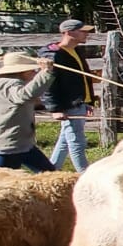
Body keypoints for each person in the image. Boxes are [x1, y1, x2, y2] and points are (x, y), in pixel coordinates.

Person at [0, 52, 57, 172]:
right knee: (2, 179)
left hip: (19, 142)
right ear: (24, 72)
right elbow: (25, 95)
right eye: (33, 71)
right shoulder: (9, 84)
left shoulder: (4, 83)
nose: (34, 74)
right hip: (8, 142)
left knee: (48, 174)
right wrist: (46, 73)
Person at [43, 18, 95, 170]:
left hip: (79, 102)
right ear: (68, 32)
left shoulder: (77, 51)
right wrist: (55, 109)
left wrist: (88, 101)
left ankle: (50, 171)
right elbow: (49, 84)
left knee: (66, 140)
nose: (86, 34)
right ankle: (85, 176)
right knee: (77, 142)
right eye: (82, 31)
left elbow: (84, 78)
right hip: (68, 104)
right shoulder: (54, 55)